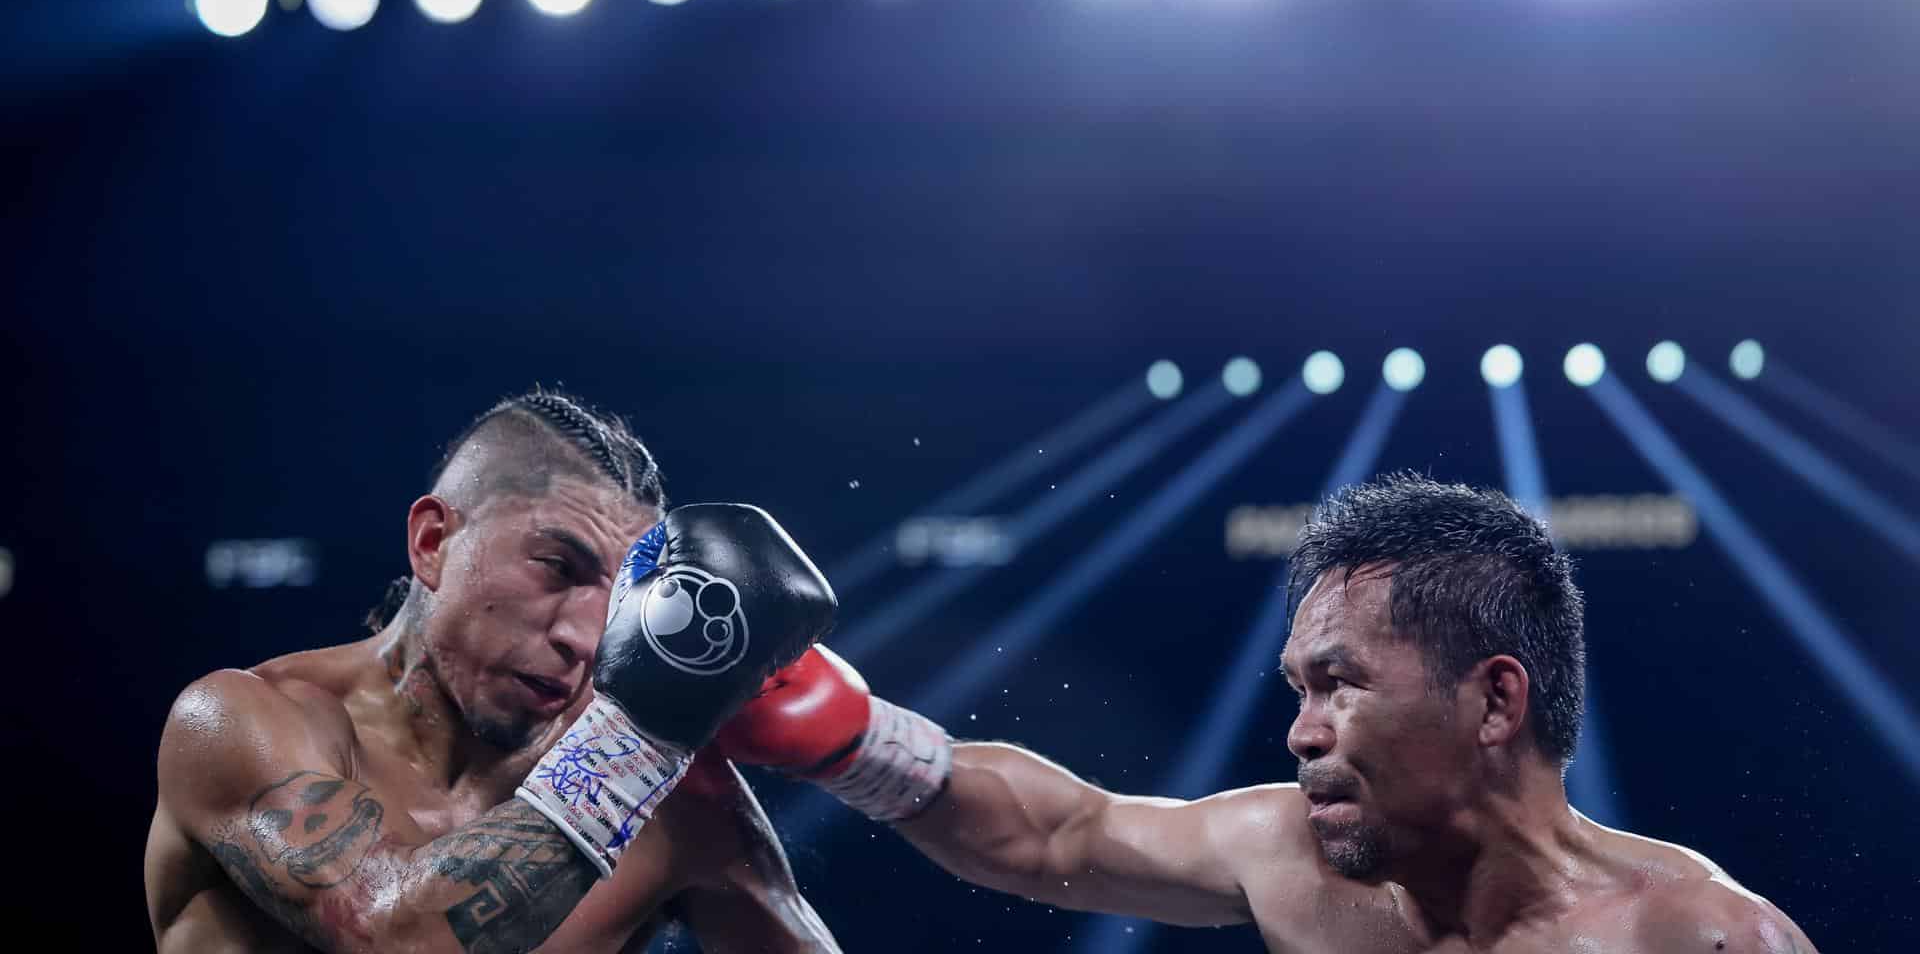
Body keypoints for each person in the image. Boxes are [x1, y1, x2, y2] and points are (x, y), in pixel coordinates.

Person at [718, 472, 1821, 952]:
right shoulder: (1297, 861)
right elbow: (1061, 832)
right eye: (1297, 687)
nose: (1301, 731)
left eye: (1341, 682)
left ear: (1494, 699)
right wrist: (857, 742)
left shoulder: (1703, 937)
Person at [147, 388, 843, 954]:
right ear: (432, 542)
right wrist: (647, 740)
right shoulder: (243, 722)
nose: (586, 635)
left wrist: (875, 754)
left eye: (622, 597)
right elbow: (401, 939)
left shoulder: (672, 797)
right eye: (558, 568)